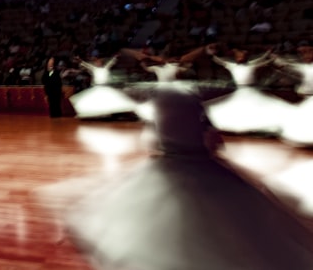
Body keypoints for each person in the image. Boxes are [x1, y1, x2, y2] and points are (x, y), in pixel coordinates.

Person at [59, 89, 313, 269]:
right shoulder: (194, 114)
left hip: (172, 170)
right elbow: (215, 144)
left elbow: (155, 144)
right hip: (203, 171)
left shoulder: (159, 115)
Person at [69, 56, 139, 120]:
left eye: (99, 62)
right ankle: (94, 115)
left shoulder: (105, 68)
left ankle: (109, 115)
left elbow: (111, 63)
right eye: (97, 62)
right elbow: (86, 65)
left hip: (105, 87)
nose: (98, 63)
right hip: (97, 88)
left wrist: (115, 58)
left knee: (109, 101)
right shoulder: (94, 69)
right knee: (94, 102)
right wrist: (80, 60)